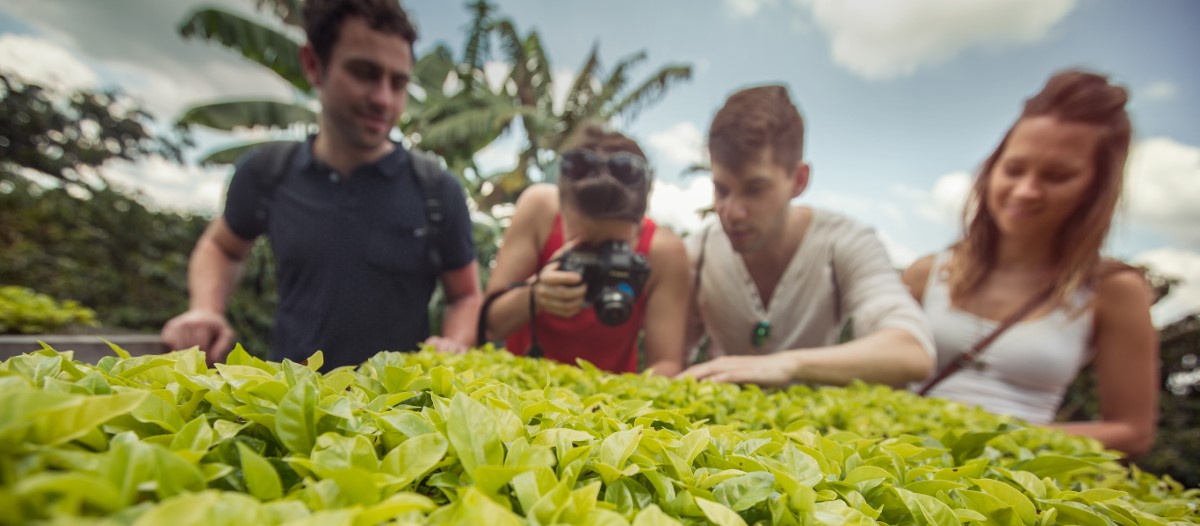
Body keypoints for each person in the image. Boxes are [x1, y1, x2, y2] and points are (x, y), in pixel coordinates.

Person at [161, 0, 481, 369]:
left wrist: (454, 344)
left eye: (398, 82)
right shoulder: (268, 172)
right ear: (314, 64)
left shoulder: (437, 190)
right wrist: (205, 309)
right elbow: (222, 246)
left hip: (396, 417)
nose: (383, 99)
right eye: (364, 73)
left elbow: (465, 295)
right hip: (290, 406)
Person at [902, 69, 1158, 458]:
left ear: (1095, 187)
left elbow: (1133, 432)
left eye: (1057, 176)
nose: (1025, 191)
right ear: (991, 169)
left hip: (1018, 476)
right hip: (905, 456)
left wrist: (1010, 438)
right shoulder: (927, 273)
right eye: (1014, 169)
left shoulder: (1113, 290)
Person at [681, 85, 935, 388]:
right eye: (721, 190)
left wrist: (787, 364)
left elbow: (913, 350)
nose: (732, 212)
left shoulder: (845, 241)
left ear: (799, 180)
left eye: (755, 189)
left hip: (814, 432)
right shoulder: (698, 251)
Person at [481, 123, 690, 376]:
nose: (599, 256)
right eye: (585, 243)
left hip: (608, 406)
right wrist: (535, 296)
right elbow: (489, 325)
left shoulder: (665, 254)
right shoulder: (538, 209)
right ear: (562, 207)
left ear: (640, 221)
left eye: (615, 247)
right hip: (521, 391)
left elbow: (666, 364)